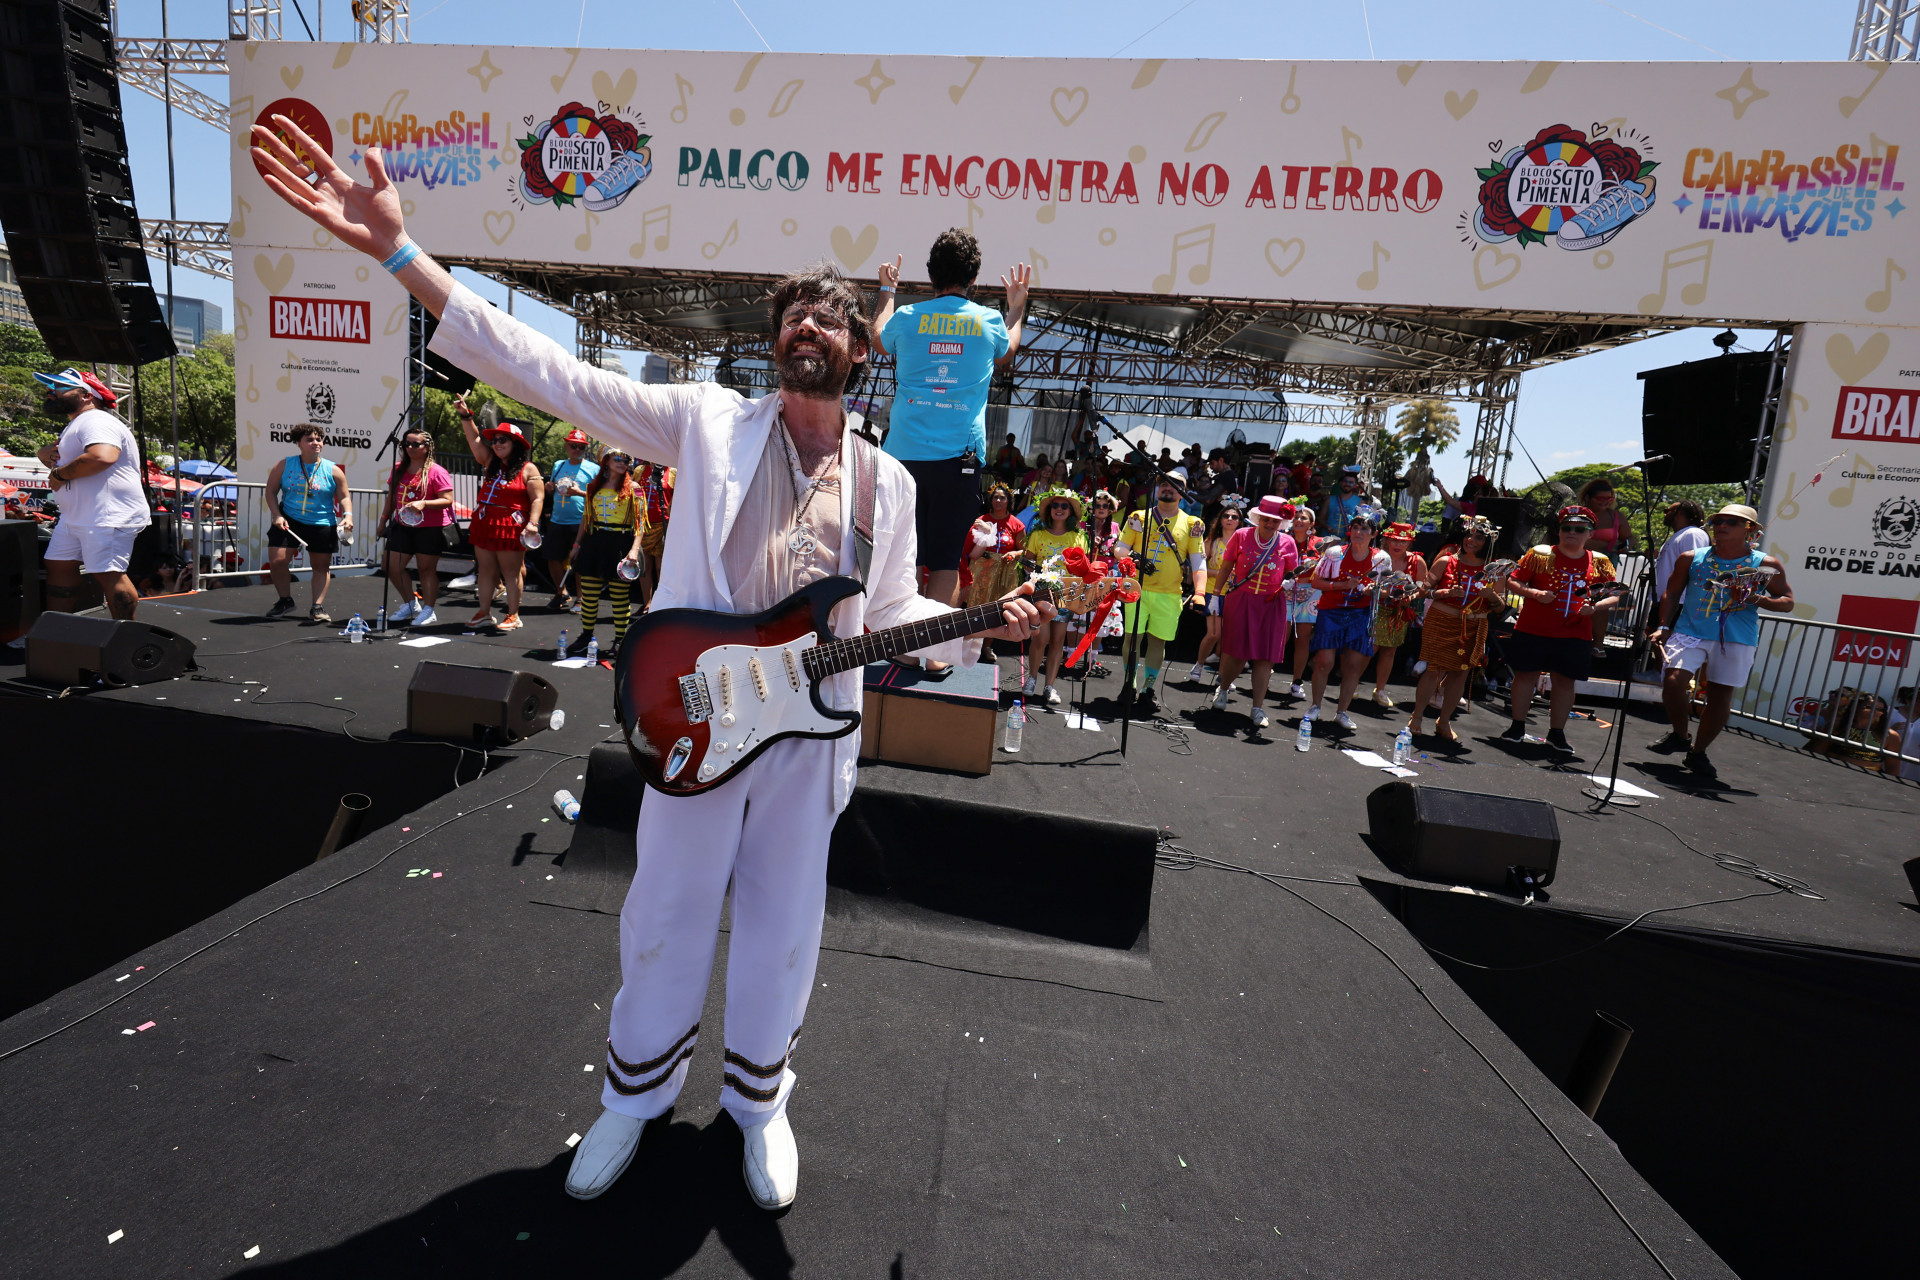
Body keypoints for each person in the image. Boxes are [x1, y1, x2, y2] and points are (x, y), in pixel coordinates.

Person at [248, 109, 1052, 1211]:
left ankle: (759, 1102)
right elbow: (553, 376)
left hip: (811, 737)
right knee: (667, 907)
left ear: (866, 351)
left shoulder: (891, 485)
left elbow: (899, 606)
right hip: (700, 712)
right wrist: (402, 255)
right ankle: (633, 1094)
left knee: (783, 925)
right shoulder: (709, 422)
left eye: (831, 315)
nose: (810, 324)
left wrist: (980, 627)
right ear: (777, 345)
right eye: (793, 314)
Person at [873, 230, 1031, 625]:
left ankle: (904, 648)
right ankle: (932, 650)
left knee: (908, 556)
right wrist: (1017, 307)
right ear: (974, 278)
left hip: (903, 456)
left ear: (930, 275)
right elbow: (1008, 351)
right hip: (958, 459)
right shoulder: (988, 321)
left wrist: (887, 291)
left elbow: (877, 338)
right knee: (946, 560)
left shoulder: (908, 318)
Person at [1646, 503, 1794, 779]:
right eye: (1718, 521)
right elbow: (1672, 591)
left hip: (1737, 637)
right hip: (1691, 630)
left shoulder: (1765, 564)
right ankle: (1680, 735)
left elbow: (1787, 602)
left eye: (1731, 522)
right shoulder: (1692, 557)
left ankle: (1698, 752)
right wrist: (1664, 626)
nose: (1722, 526)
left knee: (1720, 695)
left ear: (1750, 530)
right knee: (1673, 680)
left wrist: (1755, 598)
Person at [1499, 504, 1619, 755]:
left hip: (1575, 634)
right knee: (1525, 676)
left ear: (1590, 534)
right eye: (1566, 528)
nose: (1571, 532)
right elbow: (1513, 579)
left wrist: (1594, 607)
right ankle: (1517, 726)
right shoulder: (1540, 554)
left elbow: (1614, 595)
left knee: (1565, 683)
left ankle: (1557, 733)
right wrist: (1534, 593)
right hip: (1534, 629)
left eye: (1579, 529)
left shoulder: (1600, 562)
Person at [32, 368, 149, 621]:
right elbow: (69, 470)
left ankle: (124, 638)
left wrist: (60, 474)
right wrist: (45, 457)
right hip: (78, 515)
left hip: (105, 514)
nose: (50, 392)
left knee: (109, 574)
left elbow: (102, 456)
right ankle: (54, 631)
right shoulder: (77, 424)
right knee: (58, 565)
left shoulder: (97, 420)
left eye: (59, 387)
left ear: (87, 395)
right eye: (50, 387)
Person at [1407, 516, 1510, 744]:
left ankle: (1444, 721)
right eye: (1469, 534)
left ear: (1489, 542)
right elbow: (1422, 591)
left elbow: (1501, 607)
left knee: (1460, 673)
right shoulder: (1446, 561)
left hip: (1475, 625)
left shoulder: (1495, 571)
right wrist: (1443, 593)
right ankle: (1416, 717)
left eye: (1478, 537)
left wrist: (1492, 596)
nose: (1470, 540)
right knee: (1432, 669)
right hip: (1442, 620)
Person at [1117, 466, 1207, 715]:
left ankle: (1147, 689)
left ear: (1183, 492)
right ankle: (1129, 684)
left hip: (1169, 594)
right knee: (1131, 639)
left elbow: (1199, 562)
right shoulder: (1138, 516)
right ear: (1157, 488)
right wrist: (1134, 556)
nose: (1168, 486)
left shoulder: (1193, 524)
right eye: (1163, 482)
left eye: (1175, 484)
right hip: (1137, 589)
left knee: (1157, 642)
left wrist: (1199, 592)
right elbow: (1119, 548)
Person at [1208, 496, 1300, 730]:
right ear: (1258, 517)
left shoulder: (1288, 542)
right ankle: (1224, 688)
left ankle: (1257, 707)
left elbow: (1291, 573)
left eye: (1275, 521)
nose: (1270, 524)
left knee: (1265, 657)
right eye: (1266, 519)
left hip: (1272, 604)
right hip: (1241, 599)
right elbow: (1226, 566)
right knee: (1235, 653)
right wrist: (1216, 597)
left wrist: (1291, 583)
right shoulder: (1241, 535)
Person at [456, 400, 545, 632]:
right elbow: (474, 440)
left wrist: (533, 524)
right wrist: (466, 416)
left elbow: (537, 499)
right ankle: (484, 613)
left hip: (510, 525)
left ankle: (513, 615)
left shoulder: (528, 468)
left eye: (502, 440)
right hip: (485, 522)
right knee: (485, 570)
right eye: (494, 440)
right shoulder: (489, 462)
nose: (496, 444)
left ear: (515, 443)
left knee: (511, 572)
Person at [1305, 509, 1391, 732]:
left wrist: (1375, 590)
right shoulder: (1335, 553)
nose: (1359, 532)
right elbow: (1316, 581)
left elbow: (1387, 592)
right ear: (1349, 530)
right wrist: (1340, 586)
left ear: (1374, 534)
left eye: (1364, 529)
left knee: (1353, 667)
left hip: (1360, 614)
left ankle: (1341, 712)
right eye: (1355, 527)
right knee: (1325, 661)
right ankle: (1315, 706)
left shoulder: (1381, 559)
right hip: (1331, 611)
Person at [263, 424, 350, 623]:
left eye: (318, 439)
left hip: (321, 522)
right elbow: (270, 492)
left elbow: (344, 496)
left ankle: (317, 607)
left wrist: (348, 515)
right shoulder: (284, 465)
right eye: (309, 440)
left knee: (320, 567)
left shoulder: (333, 469)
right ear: (298, 444)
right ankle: (285, 600)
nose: (315, 443)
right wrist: (277, 515)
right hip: (289, 519)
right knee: (277, 561)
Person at [377, 424, 455, 627]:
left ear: (427, 447)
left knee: (425, 570)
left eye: (416, 444)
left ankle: (429, 610)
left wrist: (424, 503)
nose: (410, 447)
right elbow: (392, 498)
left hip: (430, 527)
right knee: (390, 565)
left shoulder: (437, 472)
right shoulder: (398, 469)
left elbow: (447, 500)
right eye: (406, 444)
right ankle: (411, 604)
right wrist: (383, 520)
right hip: (402, 525)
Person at [571, 447, 645, 655]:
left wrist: (634, 551)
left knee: (619, 596)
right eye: (618, 458)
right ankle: (586, 636)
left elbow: (640, 523)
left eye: (627, 459)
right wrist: (577, 545)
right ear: (606, 461)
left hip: (621, 542)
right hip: (595, 541)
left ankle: (620, 640)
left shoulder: (635, 488)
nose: (623, 462)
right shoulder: (593, 486)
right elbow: (586, 517)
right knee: (589, 593)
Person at [1022, 490, 1090, 706]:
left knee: (1058, 641)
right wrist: (1033, 572)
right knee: (1041, 638)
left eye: (1064, 506)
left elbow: (1083, 567)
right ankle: (1031, 679)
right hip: (1042, 591)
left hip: (1066, 593)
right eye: (1055, 506)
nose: (1059, 509)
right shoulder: (1037, 535)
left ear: (1070, 511)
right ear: (1049, 511)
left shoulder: (1078, 536)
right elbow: (1026, 562)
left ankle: (1049, 686)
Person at [1368, 522, 1428, 709]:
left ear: (1409, 543)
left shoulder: (1417, 561)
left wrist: (1411, 596)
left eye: (1403, 541)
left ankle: (1381, 690)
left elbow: (1422, 588)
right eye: (1394, 540)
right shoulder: (1376, 557)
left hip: (1398, 612)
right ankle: (1351, 684)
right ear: (1386, 539)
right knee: (1368, 649)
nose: (1397, 545)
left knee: (1390, 650)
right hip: (1374, 608)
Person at [544, 427, 600, 611]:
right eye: (573, 446)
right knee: (553, 558)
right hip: (558, 519)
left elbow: (599, 496)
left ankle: (580, 598)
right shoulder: (558, 465)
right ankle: (562, 593)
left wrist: (578, 492)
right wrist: (549, 487)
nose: (576, 450)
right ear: (566, 446)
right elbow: (552, 485)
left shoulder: (593, 469)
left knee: (579, 562)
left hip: (580, 521)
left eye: (580, 447)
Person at [1188, 498, 1243, 682]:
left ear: (1239, 521)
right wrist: (1221, 572)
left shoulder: (1244, 544)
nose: (1230, 518)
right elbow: (1199, 567)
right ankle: (1199, 664)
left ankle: (1223, 676)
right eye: (1226, 515)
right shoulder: (1212, 542)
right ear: (1220, 520)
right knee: (1214, 634)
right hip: (1214, 591)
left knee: (1229, 638)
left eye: (1234, 516)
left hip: (1235, 594)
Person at [1283, 505, 1330, 698]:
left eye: (1304, 518)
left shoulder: (1320, 543)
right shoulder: (1284, 540)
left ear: (1311, 524)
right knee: (1280, 636)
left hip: (1310, 593)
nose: (1299, 520)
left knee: (1302, 639)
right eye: (1296, 517)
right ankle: (1265, 670)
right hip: (1285, 590)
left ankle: (1296, 681)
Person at [635, 458, 676, 608]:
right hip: (643, 526)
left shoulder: (672, 472)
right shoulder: (640, 470)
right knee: (644, 568)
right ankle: (647, 604)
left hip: (663, 526)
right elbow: (635, 492)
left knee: (661, 568)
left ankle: (663, 605)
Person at [1653, 499, 1709, 599]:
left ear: (1678, 512)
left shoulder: (1692, 534)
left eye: (1667, 511)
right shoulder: (1681, 534)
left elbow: (1694, 566)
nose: (1665, 514)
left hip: (1679, 601)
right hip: (1666, 600)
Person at [1322, 464, 1367, 534]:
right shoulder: (1329, 500)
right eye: (1345, 481)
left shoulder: (1360, 503)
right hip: (1328, 539)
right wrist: (1327, 527)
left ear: (1355, 485)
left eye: (1351, 482)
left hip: (1348, 541)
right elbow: (1321, 519)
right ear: (1340, 483)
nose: (1347, 484)